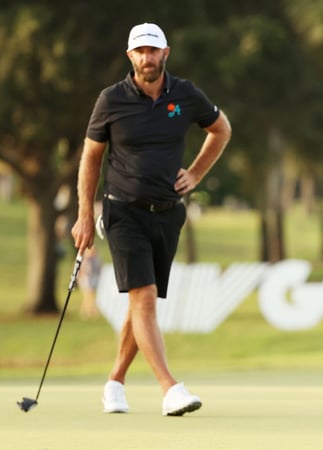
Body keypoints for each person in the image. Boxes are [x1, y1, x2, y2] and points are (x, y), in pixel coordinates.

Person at [72, 23, 232, 416]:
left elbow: (221, 129)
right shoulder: (111, 100)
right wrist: (83, 215)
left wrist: (195, 174)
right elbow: (91, 158)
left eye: (153, 51)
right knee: (143, 299)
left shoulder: (186, 95)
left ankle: (114, 382)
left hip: (167, 214)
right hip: (122, 211)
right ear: (130, 56)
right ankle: (170, 388)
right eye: (140, 51)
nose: (147, 58)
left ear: (166, 53)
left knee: (140, 304)